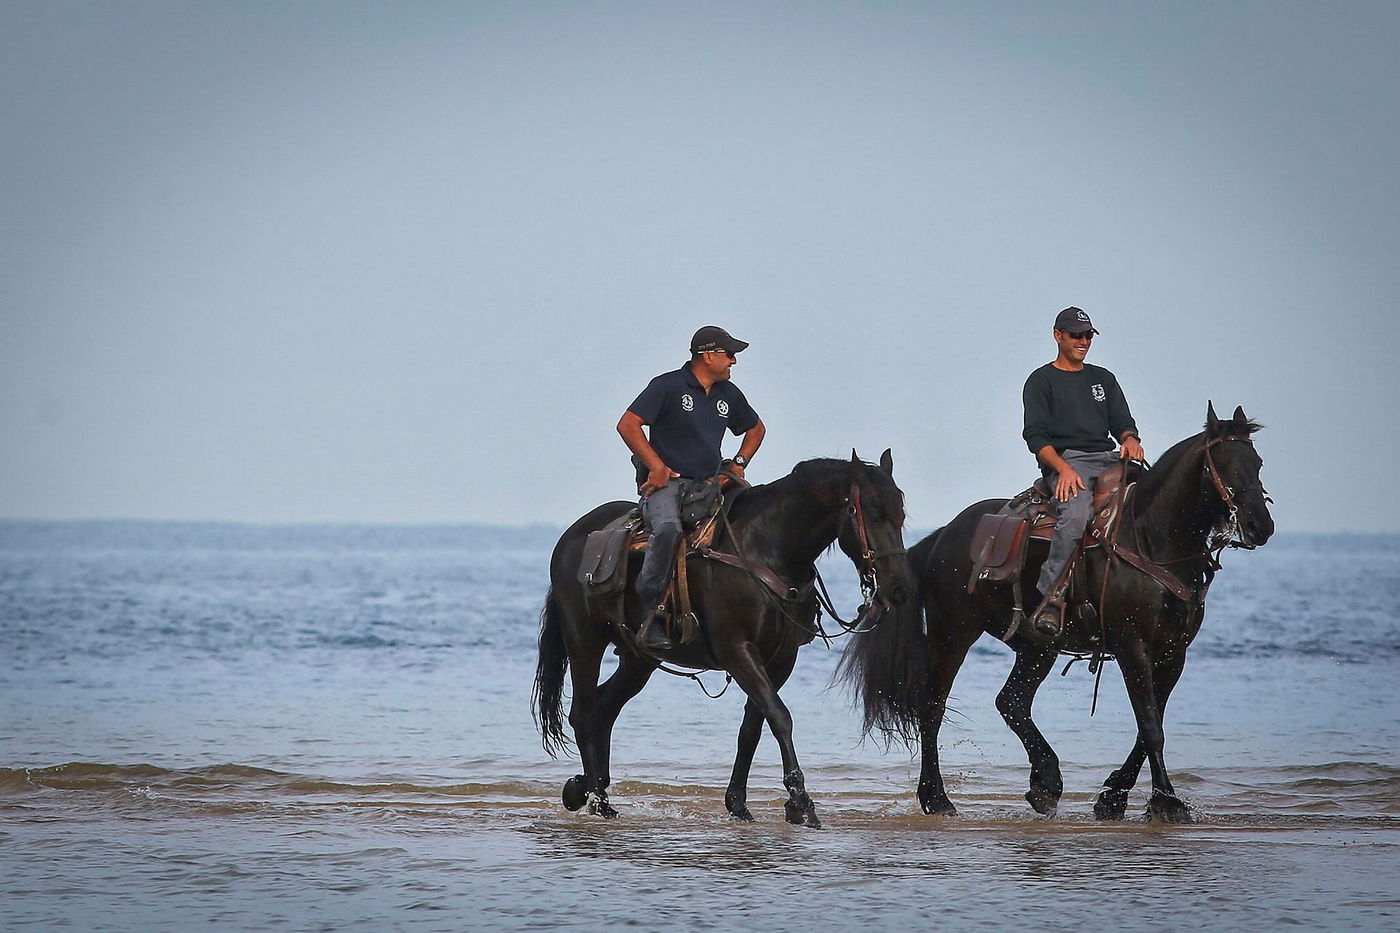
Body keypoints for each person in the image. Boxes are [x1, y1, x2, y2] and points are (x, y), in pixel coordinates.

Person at [617, 325, 766, 648]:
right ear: (707, 355)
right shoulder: (668, 386)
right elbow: (628, 424)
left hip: (711, 485)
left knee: (755, 518)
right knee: (669, 529)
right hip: (668, 485)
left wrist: (737, 464)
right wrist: (655, 467)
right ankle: (650, 609)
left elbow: (755, 429)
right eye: (729, 355)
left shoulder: (729, 394)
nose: (734, 362)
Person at [1022, 307, 1145, 640]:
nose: (1083, 341)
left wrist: (1130, 440)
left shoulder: (1103, 379)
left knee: (1152, 495)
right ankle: (1051, 598)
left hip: (1108, 457)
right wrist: (1062, 470)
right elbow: (1036, 437)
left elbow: (1122, 422)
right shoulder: (1041, 381)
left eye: (1088, 335)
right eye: (1076, 335)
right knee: (1075, 515)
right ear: (1057, 335)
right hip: (1066, 461)